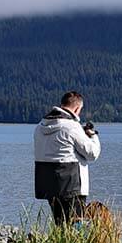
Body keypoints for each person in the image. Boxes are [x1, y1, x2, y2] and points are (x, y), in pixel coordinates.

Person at [33, 91, 101, 224]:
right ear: (77, 108)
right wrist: (92, 135)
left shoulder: (40, 127)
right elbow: (92, 153)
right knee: (76, 225)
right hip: (72, 185)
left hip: (48, 184)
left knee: (60, 223)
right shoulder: (72, 127)